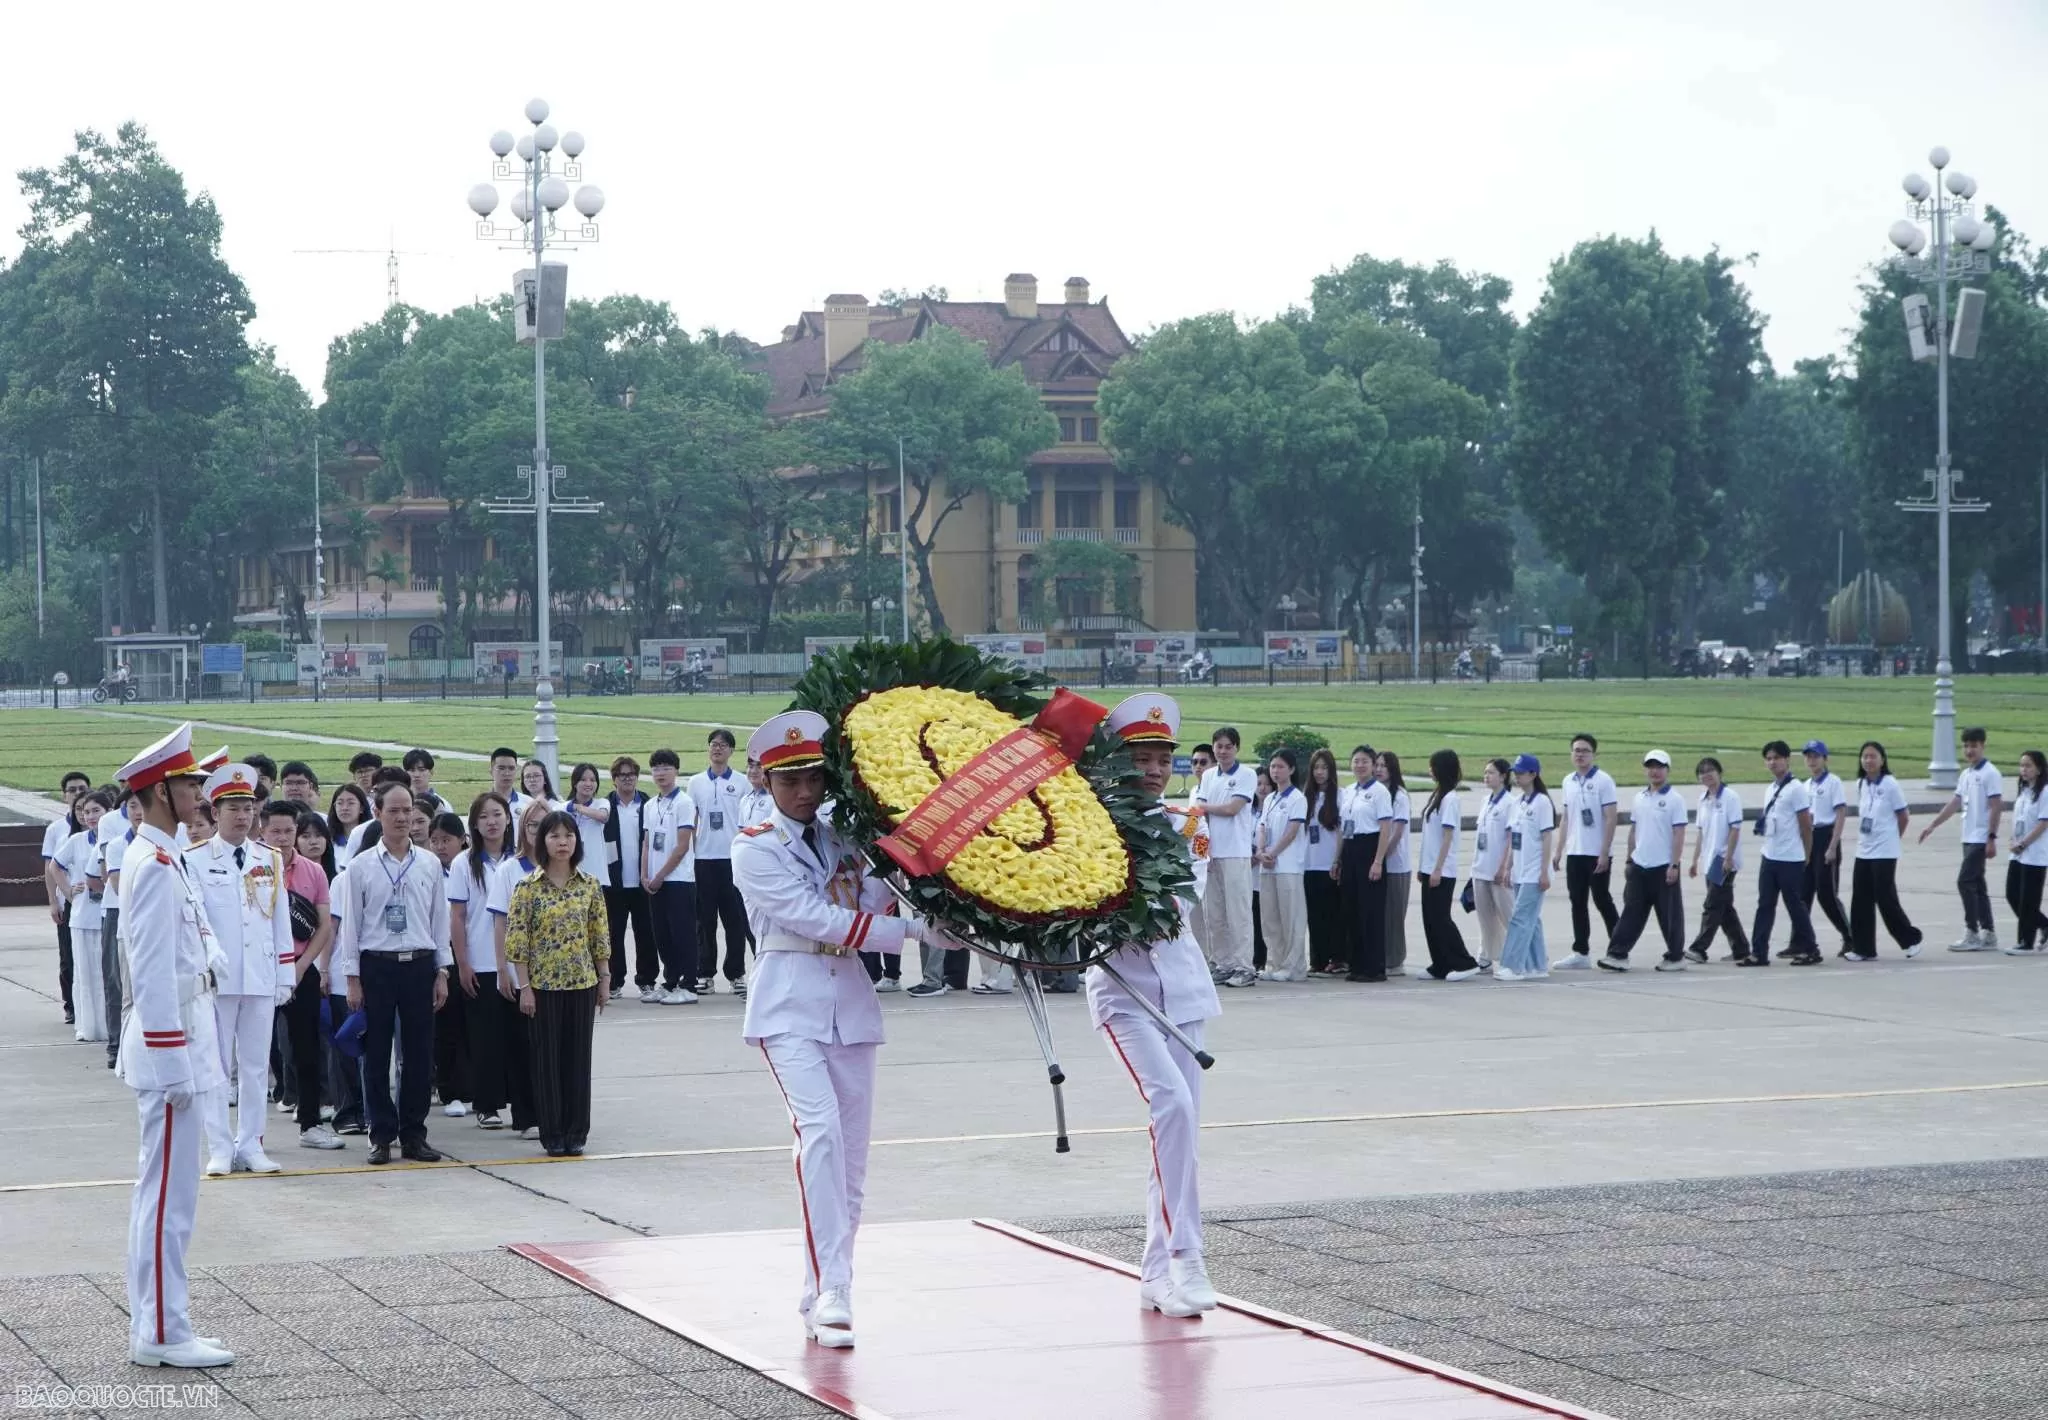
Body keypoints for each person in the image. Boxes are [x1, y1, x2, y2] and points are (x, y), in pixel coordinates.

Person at [733, 710, 929, 1349]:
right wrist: (910, 934)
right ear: (766, 780)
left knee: (850, 1157)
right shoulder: (754, 844)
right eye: (790, 780)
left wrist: (939, 906)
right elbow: (813, 917)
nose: (805, 791)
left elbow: (875, 896)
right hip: (788, 999)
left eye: (814, 777)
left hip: (850, 997)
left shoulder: (847, 838)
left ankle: (827, 1283)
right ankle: (833, 1290)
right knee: (817, 1133)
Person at [1091, 693, 1221, 1318]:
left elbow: (1175, 903)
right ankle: (1186, 1258)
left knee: (1178, 1127)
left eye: (1161, 757)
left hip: (1185, 989)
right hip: (1125, 990)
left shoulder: (1188, 823)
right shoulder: (1087, 826)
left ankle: (1154, 1270)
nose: (1152, 768)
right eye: (1140, 757)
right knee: (1170, 1104)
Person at [112, 722, 235, 1369]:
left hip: (181, 1042)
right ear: (161, 791)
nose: (198, 791)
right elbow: (154, 976)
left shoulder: (163, 857)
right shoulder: (156, 865)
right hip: (171, 1050)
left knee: (165, 1196)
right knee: (167, 1201)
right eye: (188, 782)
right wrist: (174, 1063)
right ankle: (161, 1330)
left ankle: (164, 1321)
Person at [333, 782, 453, 1165]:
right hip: (377, 967)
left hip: (419, 964)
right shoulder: (362, 866)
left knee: (419, 1055)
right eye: (394, 811)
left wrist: (442, 971)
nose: (403, 819)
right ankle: (380, 1134)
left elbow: (439, 922)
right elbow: (350, 925)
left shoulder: (429, 863)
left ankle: (414, 1134)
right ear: (378, 814)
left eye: (408, 812)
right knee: (376, 1052)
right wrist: (352, 977)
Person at [193, 764, 292, 1176]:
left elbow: (279, 919)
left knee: (255, 1067)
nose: (242, 815)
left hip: (260, 976)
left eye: (248, 807)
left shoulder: (267, 858)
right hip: (218, 980)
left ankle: (250, 1143)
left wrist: (285, 974)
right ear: (215, 813)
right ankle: (219, 1145)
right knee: (216, 1067)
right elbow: (195, 921)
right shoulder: (195, 859)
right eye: (233, 807)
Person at [505, 810, 610, 1157]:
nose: (562, 842)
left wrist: (604, 978)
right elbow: (517, 941)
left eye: (568, 836)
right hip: (544, 987)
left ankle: (576, 1130)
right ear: (542, 842)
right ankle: (552, 1132)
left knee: (578, 1060)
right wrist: (525, 988)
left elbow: (599, 935)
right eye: (554, 836)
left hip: (582, 983)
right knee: (546, 1061)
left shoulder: (590, 885)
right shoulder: (527, 888)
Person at [263, 803, 341, 1148]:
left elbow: (323, 926)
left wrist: (300, 966)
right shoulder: (250, 868)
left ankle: (310, 1123)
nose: (282, 838)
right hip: (259, 970)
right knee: (256, 1051)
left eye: (288, 831)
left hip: (301, 967)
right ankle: (249, 1133)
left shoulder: (313, 872)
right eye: (275, 831)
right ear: (262, 831)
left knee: (307, 1048)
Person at [448, 793, 523, 1133]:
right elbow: (458, 916)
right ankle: (487, 1104)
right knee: (485, 1038)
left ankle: (523, 1106)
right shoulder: (465, 863)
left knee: (520, 1039)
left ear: (508, 819)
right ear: (474, 825)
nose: (492, 822)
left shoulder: (523, 860)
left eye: (498, 814)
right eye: (484, 817)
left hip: (520, 963)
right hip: (481, 962)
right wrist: (462, 963)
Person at [1599, 750, 1689, 971]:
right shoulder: (1639, 798)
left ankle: (1676, 956)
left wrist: (1674, 864)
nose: (1654, 771)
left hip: (1663, 866)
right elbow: (1634, 830)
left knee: (1669, 915)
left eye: (1659, 766)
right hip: (1640, 865)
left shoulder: (1674, 800)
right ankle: (1617, 954)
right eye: (1650, 766)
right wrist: (1629, 859)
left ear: (1667, 770)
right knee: (1632, 912)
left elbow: (1679, 834)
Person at [1919, 727, 2005, 951]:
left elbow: (1996, 807)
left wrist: (1991, 838)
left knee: (1965, 881)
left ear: (1983, 746)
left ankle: (1972, 932)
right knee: (1977, 884)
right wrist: (1932, 825)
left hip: (1980, 837)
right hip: (1968, 837)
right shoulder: (1966, 775)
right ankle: (1988, 933)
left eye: (1974, 746)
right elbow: (1955, 803)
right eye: (1966, 746)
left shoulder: (1991, 774)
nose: (1969, 750)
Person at [689, 729, 754, 995]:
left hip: (733, 860)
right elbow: (691, 822)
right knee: (704, 921)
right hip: (703, 859)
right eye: (713, 744)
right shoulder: (695, 783)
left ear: (731, 751)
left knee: (735, 920)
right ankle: (705, 973)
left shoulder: (741, 782)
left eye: (723, 745)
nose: (717, 749)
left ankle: (736, 973)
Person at [1849, 741, 1922, 961]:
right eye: (1865, 756)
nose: (1868, 760)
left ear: (1882, 760)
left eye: (1873, 756)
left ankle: (1909, 939)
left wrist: (1892, 838)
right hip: (1864, 849)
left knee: (1885, 898)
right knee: (1860, 900)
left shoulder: (1890, 784)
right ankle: (1864, 948)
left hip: (1885, 851)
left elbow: (1903, 816)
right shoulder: (1861, 784)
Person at [1197, 727, 1259, 988]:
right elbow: (1199, 815)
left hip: (1235, 852)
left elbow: (1233, 809)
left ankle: (1244, 966)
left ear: (1236, 748)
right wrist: (1204, 852)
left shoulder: (1247, 775)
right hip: (1213, 854)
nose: (1223, 751)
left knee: (1239, 913)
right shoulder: (1209, 775)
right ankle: (1222, 964)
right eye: (1219, 746)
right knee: (1215, 914)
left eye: (1228, 746)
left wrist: (1205, 807)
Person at [1750, 741, 1820, 967]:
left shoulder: (1796, 789)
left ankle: (1810, 948)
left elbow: (1806, 826)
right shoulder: (1770, 788)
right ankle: (1759, 952)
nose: (1772, 762)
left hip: (1790, 858)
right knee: (1764, 905)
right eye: (1768, 758)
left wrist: (1807, 854)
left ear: (1787, 759)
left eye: (1776, 758)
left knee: (1795, 906)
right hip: (1769, 855)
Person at [1554, 733, 1620, 970]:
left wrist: (1604, 852)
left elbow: (1611, 818)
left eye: (1584, 750)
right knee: (1577, 901)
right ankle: (1581, 951)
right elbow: (1566, 818)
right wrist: (1559, 850)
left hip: (1596, 852)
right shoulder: (1567, 781)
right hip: (1575, 851)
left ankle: (1620, 947)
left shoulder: (1603, 781)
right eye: (1576, 750)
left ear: (1594, 754)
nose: (1580, 754)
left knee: (1602, 899)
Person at [1417, 749, 1481, 981]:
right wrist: (1423, 867)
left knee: (1440, 917)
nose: (1430, 770)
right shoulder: (1438, 795)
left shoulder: (1450, 799)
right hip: (1429, 867)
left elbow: (1447, 836)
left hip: (1441, 870)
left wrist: (1437, 869)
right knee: (1429, 918)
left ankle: (1464, 962)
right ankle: (1440, 963)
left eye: (1433, 766)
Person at [426, 810, 473, 1120]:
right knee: (445, 1026)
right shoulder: (428, 870)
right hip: (440, 956)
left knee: (470, 1026)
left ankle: (469, 1086)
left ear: (462, 841)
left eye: (447, 840)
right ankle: (449, 1089)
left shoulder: (469, 867)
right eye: (435, 841)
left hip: (469, 954)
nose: (441, 846)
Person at [644, 748, 699, 1004]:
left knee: (682, 934)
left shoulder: (684, 802)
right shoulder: (650, 805)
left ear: (676, 771)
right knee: (662, 935)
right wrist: (645, 875)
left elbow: (682, 846)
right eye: (656, 768)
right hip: (655, 882)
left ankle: (689, 985)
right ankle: (670, 981)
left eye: (666, 767)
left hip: (678, 879)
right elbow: (646, 843)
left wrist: (660, 876)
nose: (660, 773)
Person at [1684, 758, 1750, 969]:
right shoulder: (1703, 799)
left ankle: (1699, 948)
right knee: (1724, 907)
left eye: (1710, 770)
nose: (1707, 775)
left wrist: (1729, 857)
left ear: (1719, 773)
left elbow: (1735, 829)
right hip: (1710, 860)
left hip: (1723, 860)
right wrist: (1694, 860)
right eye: (1702, 772)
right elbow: (1701, 832)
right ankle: (1741, 948)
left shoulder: (1730, 797)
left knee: (1712, 905)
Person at [57, 789, 112, 1043]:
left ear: (108, 813)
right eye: (86, 812)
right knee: (85, 973)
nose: (90, 817)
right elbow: (54, 866)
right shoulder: (77, 841)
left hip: (108, 915)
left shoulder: (117, 840)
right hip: (81, 916)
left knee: (108, 974)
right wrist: (68, 891)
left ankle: (111, 1025)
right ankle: (88, 1026)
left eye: (96, 811)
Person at [1494, 754, 1555, 980]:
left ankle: (1513, 965)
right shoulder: (1517, 803)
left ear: (1533, 775)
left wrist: (1543, 871)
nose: (1517, 777)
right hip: (1520, 870)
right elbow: (1514, 839)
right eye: (1516, 773)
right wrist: (1508, 867)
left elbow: (1547, 838)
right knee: (1532, 919)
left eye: (1521, 773)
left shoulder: (1542, 803)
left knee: (1520, 918)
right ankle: (1537, 965)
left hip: (1534, 872)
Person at [1336, 745, 1392, 982]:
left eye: (1365, 762)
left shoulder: (1380, 792)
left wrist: (1378, 860)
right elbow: (1342, 827)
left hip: (1370, 849)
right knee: (1352, 908)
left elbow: (1385, 828)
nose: (1359, 765)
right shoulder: (1348, 791)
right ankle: (1356, 963)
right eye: (1356, 761)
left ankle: (1374, 966)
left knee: (1371, 910)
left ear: (1373, 765)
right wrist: (1337, 859)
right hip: (1350, 848)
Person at [599, 757, 653, 1001]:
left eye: (631, 774)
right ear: (614, 780)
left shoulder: (649, 804)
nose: (627, 778)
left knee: (646, 933)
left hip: (643, 882)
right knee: (613, 934)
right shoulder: (606, 807)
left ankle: (647, 980)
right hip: (615, 883)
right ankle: (615, 980)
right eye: (622, 775)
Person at [99, 792, 146, 1067]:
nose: (138, 811)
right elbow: (118, 887)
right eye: (132, 806)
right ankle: (123, 1053)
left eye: (142, 805)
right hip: (124, 922)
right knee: (124, 990)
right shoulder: (118, 845)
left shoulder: (175, 839)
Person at [1255, 749, 1308, 982]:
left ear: (1292, 770)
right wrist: (1260, 851)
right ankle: (1274, 963)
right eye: (1273, 767)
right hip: (1268, 866)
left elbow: (1291, 832)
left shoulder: (1297, 798)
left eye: (1281, 767)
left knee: (1291, 918)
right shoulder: (1270, 798)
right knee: (1270, 917)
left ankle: (1293, 965)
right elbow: (1262, 827)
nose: (1275, 771)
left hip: (1288, 866)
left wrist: (1273, 852)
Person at [43, 770, 90, 1027]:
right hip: (68, 901)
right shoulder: (56, 829)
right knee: (68, 957)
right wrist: (53, 900)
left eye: (82, 788)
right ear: (64, 796)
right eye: (72, 790)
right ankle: (71, 1005)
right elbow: (51, 866)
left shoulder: (97, 824)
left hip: (93, 903)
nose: (77, 794)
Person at [1801, 741, 1853, 954]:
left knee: (1826, 893)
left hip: (1826, 836)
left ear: (1825, 759)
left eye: (1816, 756)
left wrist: (1833, 846)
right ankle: (1800, 940)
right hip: (1809, 837)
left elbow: (1840, 813)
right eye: (1809, 756)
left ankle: (1849, 935)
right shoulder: (1805, 785)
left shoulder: (1833, 782)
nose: (1812, 760)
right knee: (1803, 894)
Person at [1300, 748, 1344, 975]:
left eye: (1324, 768)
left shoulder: (1340, 796)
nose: (1319, 772)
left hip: (1328, 864)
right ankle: (1317, 959)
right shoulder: (1307, 796)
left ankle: (1336, 958)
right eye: (1316, 767)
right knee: (1314, 916)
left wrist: (1337, 861)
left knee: (1332, 914)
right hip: (1309, 864)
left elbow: (1340, 833)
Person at [1471, 758, 1515, 969]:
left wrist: (1504, 866)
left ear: (1503, 776)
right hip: (1481, 867)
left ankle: (1524, 952)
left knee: (1508, 915)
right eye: (1485, 772)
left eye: (1491, 772)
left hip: (1498, 869)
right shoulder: (1485, 800)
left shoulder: (1510, 803)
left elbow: (1510, 838)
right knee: (1485, 916)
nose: (1486, 776)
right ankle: (1485, 954)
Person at [2002, 750, 2048, 955]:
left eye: (2028, 766)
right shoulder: (2024, 791)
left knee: (2028, 900)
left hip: (2035, 854)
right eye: (2022, 766)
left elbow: (2043, 823)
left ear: (2039, 769)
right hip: (2018, 852)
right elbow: (2019, 821)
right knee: (2012, 894)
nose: (2024, 770)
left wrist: (2023, 844)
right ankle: (2045, 925)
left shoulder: (2045, 791)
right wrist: (2013, 841)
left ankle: (2026, 942)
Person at [1374, 751, 1415, 976]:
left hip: (1396, 864)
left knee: (1394, 915)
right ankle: (1384, 956)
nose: (1379, 769)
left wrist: (1380, 857)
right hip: (1381, 863)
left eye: (1384, 766)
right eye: (1377, 765)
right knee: (1382, 914)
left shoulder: (1398, 796)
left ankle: (1396, 960)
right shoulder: (1378, 794)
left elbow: (1396, 832)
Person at [327, 784, 370, 872]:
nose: (344, 808)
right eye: (340, 803)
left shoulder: (371, 837)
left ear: (361, 808)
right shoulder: (328, 839)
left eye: (351, 803)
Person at [402, 749, 443, 817]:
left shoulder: (440, 804)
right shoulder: (399, 801)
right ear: (405, 773)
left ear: (431, 772)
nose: (416, 775)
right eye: (412, 770)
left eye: (422, 770)